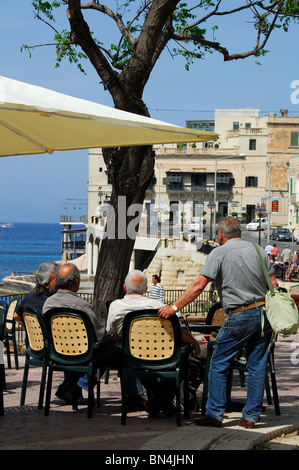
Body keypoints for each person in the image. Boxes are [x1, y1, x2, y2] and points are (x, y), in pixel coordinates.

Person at [158, 217, 278, 429]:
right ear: (238, 232)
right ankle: (250, 417)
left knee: (218, 362)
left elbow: (198, 285)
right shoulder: (259, 251)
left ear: (221, 235)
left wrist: (174, 307)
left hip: (241, 315)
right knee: (257, 366)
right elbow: (274, 285)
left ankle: (214, 414)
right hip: (265, 315)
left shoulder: (219, 252)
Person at [107, 269, 200, 417]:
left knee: (135, 361)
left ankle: (157, 401)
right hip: (162, 355)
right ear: (145, 289)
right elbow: (178, 330)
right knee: (184, 358)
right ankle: (163, 401)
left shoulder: (115, 306)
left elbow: (116, 337)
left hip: (132, 357)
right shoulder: (157, 305)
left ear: (125, 288)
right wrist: (194, 342)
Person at [42, 263, 119, 405]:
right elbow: (101, 335)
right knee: (114, 349)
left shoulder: (48, 304)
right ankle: (76, 385)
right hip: (81, 354)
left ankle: (71, 386)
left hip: (57, 352)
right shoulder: (80, 306)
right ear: (77, 282)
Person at [14, 261, 58, 327]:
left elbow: (16, 316)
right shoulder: (54, 301)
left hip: (34, 337)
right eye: (57, 280)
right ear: (46, 285)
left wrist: (30, 331)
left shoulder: (29, 297)